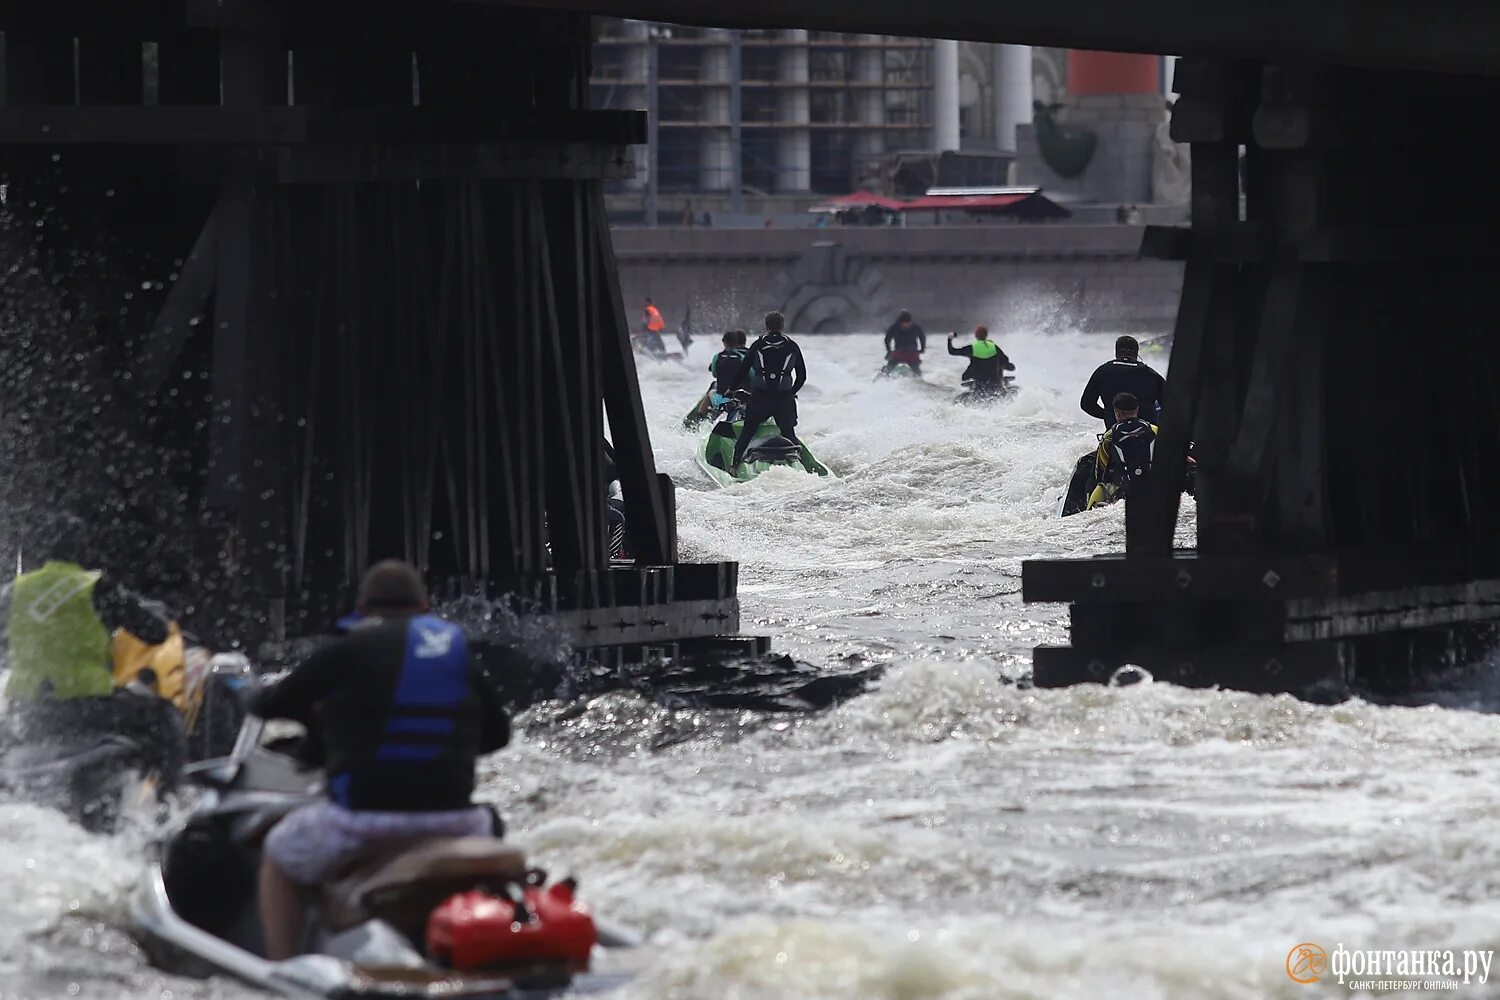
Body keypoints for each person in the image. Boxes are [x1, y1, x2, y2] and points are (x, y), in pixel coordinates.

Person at [251, 560, 511, 960]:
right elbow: (498, 735)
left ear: (364, 607)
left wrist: (249, 694)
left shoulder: (347, 648)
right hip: (458, 822)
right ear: (425, 606)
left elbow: (271, 704)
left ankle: (281, 965)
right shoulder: (455, 650)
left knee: (279, 853)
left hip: (365, 822)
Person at [728, 312, 806, 473]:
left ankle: (734, 467)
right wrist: (791, 392)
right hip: (783, 400)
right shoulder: (792, 346)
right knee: (789, 434)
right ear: (782, 326)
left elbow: (743, 370)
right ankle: (805, 467)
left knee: (747, 432)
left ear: (766, 325)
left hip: (760, 399)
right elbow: (802, 376)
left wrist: (732, 389)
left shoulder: (758, 345)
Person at [1087, 392, 1159, 510]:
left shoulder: (1109, 435)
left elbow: (1101, 466)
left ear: (1117, 412)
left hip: (1122, 490)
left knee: (1100, 488)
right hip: (1152, 485)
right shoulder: (1154, 430)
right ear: (1137, 409)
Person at [1079, 335, 1165, 431]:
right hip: (1147, 435)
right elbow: (1172, 405)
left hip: (1115, 434)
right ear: (1136, 353)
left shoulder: (1103, 371)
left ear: (1116, 352)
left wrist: (1108, 415)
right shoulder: (1150, 374)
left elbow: (1086, 404)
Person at [686, 330, 749, 426]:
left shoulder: (718, 356)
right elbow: (751, 375)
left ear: (724, 342)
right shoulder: (745, 356)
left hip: (723, 396)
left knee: (712, 388)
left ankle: (698, 420)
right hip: (741, 394)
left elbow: (714, 373)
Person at [947, 326, 1014, 388]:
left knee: (964, 377)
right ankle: (1001, 381)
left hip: (979, 383)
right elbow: (1006, 360)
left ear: (976, 336)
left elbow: (952, 351)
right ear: (986, 335)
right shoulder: (994, 347)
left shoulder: (972, 348)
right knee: (1002, 363)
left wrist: (949, 339)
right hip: (995, 382)